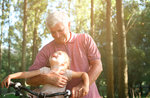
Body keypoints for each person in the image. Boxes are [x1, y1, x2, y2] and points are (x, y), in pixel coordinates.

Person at [26, 11, 103, 98]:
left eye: (60, 30)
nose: (57, 35)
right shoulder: (45, 50)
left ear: (69, 25)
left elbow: (97, 66)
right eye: (53, 32)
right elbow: (29, 79)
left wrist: (83, 84)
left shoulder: (85, 39)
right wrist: (46, 78)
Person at [1, 51, 89, 98]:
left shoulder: (66, 73)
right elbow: (26, 74)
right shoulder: (45, 70)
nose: (56, 53)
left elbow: (84, 74)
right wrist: (11, 76)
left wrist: (86, 85)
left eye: (60, 54)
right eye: (55, 53)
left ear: (64, 64)